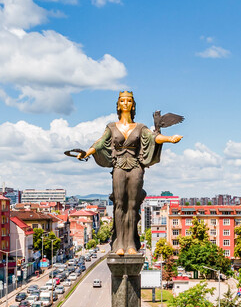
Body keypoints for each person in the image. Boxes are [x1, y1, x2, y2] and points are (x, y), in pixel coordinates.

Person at [76, 91, 182, 255]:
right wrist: (86, 153)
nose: (125, 103)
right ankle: (119, 243)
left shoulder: (140, 127)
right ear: (119, 105)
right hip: (118, 166)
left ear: (132, 105)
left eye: (129, 101)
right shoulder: (111, 127)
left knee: (133, 206)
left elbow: (154, 138)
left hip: (135, 167)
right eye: (122, 101)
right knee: (119, 205)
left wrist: (170, 139)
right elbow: (100, 143)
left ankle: (131, 244)